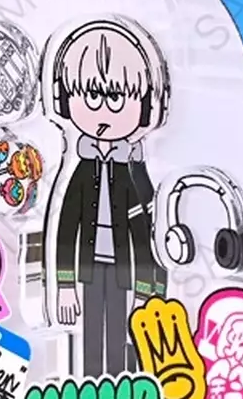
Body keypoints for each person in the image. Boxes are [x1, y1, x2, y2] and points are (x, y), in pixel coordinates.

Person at [49, 19, 169, 376]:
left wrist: (147, 292)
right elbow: (66, 230)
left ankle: (125, 396)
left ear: (145, 107)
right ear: (64, 100)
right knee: (90, 344)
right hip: (88, 272)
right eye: (90, 96)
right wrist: (65, 285)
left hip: (123, 273)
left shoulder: (134, 175)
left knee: (122, 342)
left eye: (116, 98)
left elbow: (147, 238)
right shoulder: (81, 172)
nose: (102, 111)